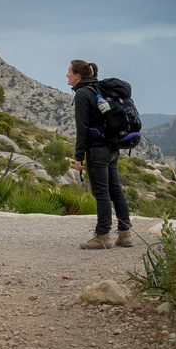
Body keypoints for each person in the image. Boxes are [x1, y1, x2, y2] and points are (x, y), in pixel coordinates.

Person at [67, 59, 132, 249]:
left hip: (96, 150)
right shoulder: (99, 89)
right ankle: (125, 234)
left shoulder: (82, 94)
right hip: (112, 148)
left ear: (77, 76)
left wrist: (79, 156)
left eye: (69, 72)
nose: (67, 75)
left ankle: (103, 236)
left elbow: (83, 128)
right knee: (116, 190)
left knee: (102, 193)